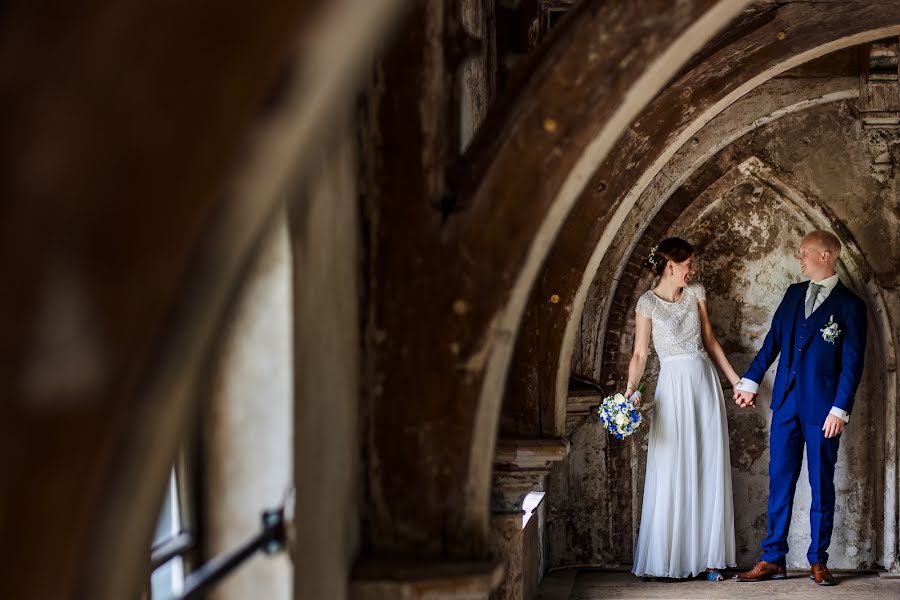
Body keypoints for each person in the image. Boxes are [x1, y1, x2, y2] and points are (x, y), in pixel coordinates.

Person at [733, 230, 867, 586]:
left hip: (823, 411)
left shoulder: (850, 306)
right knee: (780, 481)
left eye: (805, 253)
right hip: (786, 404)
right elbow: (773, 341)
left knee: (821, 484)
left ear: (825, 256)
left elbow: (852, 365)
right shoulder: (794, 295)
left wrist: (839, 410)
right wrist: (750, 380)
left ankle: (818, 560)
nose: (800, 258)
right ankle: (773, 557)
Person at [627, 237, 739, 581]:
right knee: (672, 465)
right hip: (672, 389)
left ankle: (709, 559)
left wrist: (736, 381)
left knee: (707, 463)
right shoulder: (646, 303)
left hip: (703, 383)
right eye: (688, 264)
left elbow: (710, 339)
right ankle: (667, 559)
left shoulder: (696, 293)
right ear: (670, 266)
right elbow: (640, 354)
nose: (693, 270)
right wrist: (630, 392)